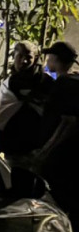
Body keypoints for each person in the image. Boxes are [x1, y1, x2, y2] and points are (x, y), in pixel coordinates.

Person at [34, 42, 79, 218]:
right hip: (71, 156)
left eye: (49, 56)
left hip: (62, 157)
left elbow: (68, 122)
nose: (47, 60)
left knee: (58, 203)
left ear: (56, 59)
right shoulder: (74, 81)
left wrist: (46, 150)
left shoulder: (64, 84)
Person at [0, 41, 45, 165]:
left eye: (29, 57)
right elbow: (2, 116)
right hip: (13, 147)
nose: (24, 61)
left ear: (36, 58)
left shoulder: (45, 84)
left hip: (39, 148)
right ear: (13, 56)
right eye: (20, 56)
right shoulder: (8, 84)